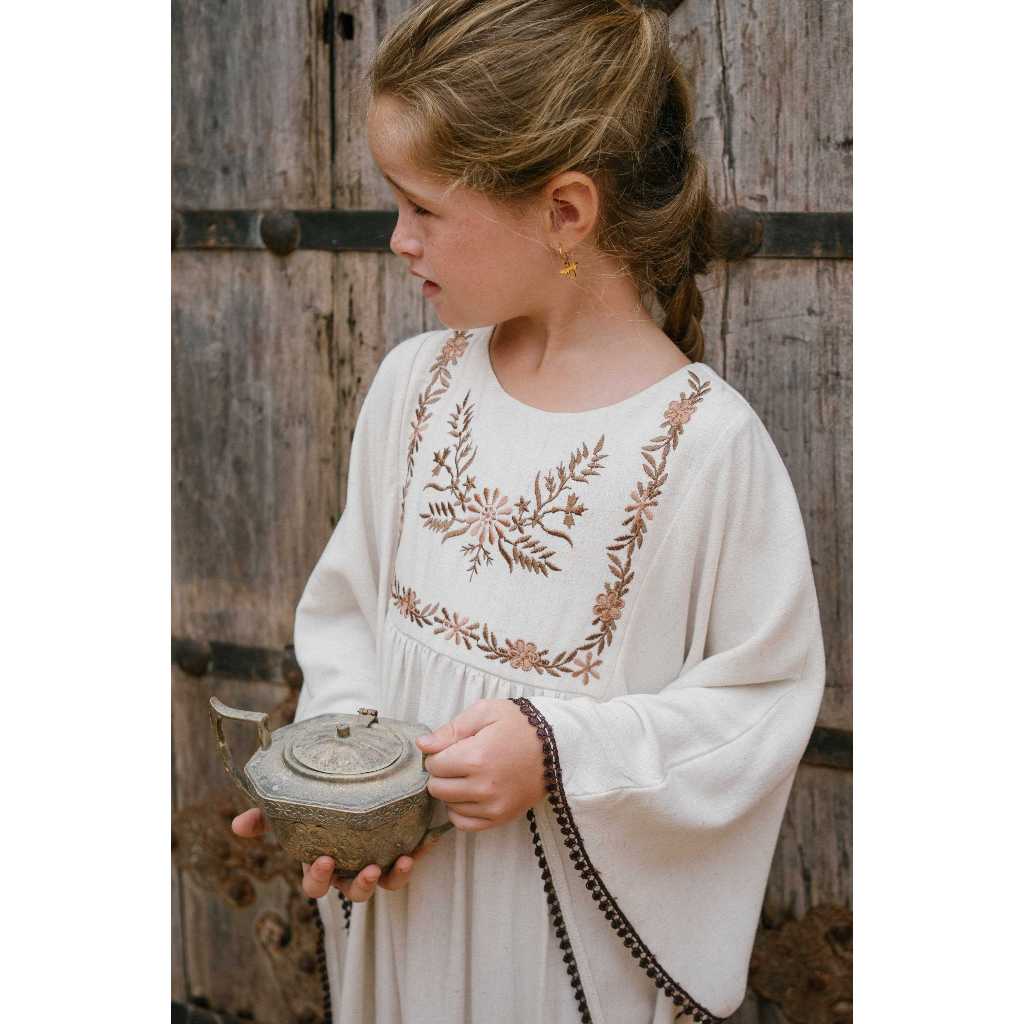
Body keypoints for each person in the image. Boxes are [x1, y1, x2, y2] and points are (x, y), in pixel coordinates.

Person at [233, 1, 826, 1021]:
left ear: (564, 211)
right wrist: (349, 796)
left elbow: (756, 707)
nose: (398, 240)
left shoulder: (703, 445)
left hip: (561, 954)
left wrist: (558, 752)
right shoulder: (414, 388)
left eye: (422, 208)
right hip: (412, 915)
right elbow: (348, 620)